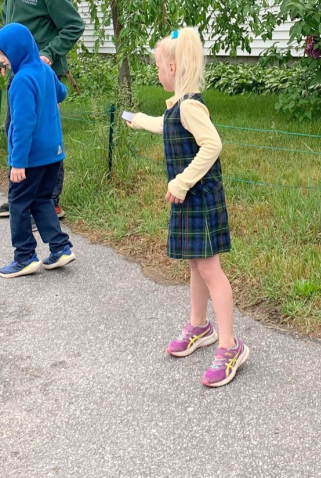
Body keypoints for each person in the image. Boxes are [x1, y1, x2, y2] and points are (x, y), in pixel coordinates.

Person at [126, 28, 249, 388]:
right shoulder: (179, 108)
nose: (158, 74)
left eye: (159, 68)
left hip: (198, 198)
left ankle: (230, 345)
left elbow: (212, 145)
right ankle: (200, 325)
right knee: (196, 263)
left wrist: (181, 182)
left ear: (173, 66)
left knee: (211, 269)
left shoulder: (192, 107)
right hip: (189, 198)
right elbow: (165, 126)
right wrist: (137, 119)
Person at [0, 0, 85, 221]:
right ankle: (21, 196)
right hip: (18, 72)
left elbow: (74, 26)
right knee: (15, 128)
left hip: (43, 75)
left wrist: (49, 52)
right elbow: (7, 31)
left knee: (42, 136)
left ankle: (50, 203)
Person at [0, 23, 75, 279]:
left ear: (15, 51)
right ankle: (60, 248)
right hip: (54, 153)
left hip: (30, 158)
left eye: (3, 54)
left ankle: (25, 256)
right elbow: (62, 93)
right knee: (42, 200)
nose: (2, 60)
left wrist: (18, 163)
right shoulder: (44, 70)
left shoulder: (21, 81)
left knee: (18, 203)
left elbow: (23, 126)